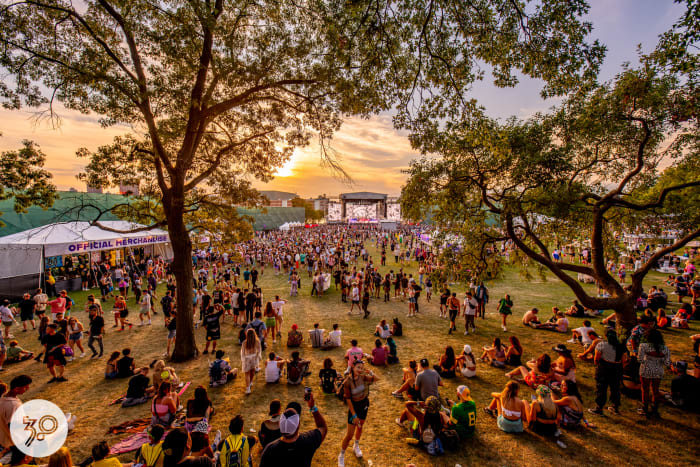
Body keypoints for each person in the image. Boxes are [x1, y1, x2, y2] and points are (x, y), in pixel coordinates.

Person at [259, 396, 328, 467]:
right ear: (298, 425)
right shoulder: (308, 441)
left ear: (279, 425)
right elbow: (323, 427)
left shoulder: (270, 450)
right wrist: (313, 407)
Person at [338, 360, 377, 466]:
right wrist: (354, 415)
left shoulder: (363, 377)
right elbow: (348, 400)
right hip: (354, 408)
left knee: (360, 427)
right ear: (353, 367)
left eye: (362, 368)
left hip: (364, 405)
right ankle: (341, 455)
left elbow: (376, 379)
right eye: (358, 367)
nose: (360, 370)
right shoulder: (347, 382)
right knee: (349, 435)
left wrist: (371, 373)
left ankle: (356, 446)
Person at [589, 328, 625, 415]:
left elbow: (596, 359)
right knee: (615, 388)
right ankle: (615, 407)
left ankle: (599, 408)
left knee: (601, 388)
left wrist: (598, 365)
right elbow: (623, 360)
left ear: (605, 336)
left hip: (604, 367)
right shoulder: (620, 346)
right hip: (616, 368)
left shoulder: (601, 345)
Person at [638, 329, 671, 417]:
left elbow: (640, 359)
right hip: (658, 370)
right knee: (655, 390)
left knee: (645, 389)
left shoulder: (643, 346)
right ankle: (655, 408)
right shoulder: (665, 348)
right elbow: (667, 363)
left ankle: (644, 408)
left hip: (646, 369)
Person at [0, 375, 32, 461]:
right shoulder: (12, 405)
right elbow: (12, 426)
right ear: (16, 389)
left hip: (10, 441)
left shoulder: (4, 397)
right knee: (26, 461)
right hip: (18, 441)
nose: (27, 389)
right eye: (25, 387)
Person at [241, 329, 262, 394]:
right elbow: (259, 351)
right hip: (254, 358)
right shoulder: (257, 341)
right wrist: (258, 357)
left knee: (247, 374)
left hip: (247, 358)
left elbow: (243, 352)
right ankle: (250, 383)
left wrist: (243, 359)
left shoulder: (244, 342)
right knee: (252, 371)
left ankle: (248, 389)